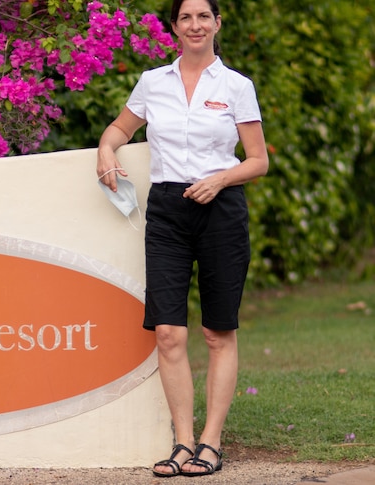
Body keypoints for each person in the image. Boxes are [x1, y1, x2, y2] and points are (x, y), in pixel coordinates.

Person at [96, 0, 269, 478]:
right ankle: (182, 442)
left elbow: (258, 160)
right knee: (169, 333)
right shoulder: (154, 82)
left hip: (221, 210)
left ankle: (210, 443)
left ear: (217, 24)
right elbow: (120, 128)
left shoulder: (236, 86)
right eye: (186, 17)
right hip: (168, 212)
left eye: (203, 16)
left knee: (218, 332)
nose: (195, 25)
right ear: (174, 27)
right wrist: (106, 149)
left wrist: (220, 180)